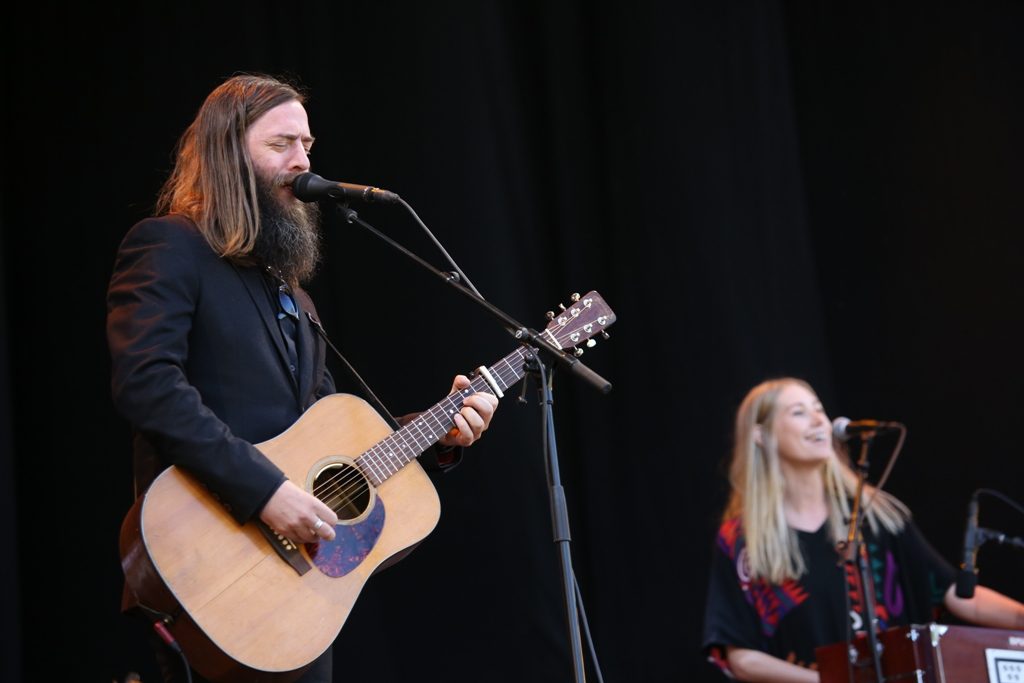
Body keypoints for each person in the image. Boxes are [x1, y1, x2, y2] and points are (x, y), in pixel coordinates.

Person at [106, 73, 499, 683]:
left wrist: (438, 430)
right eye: (282, 144)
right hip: (205, 567)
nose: (303, 163)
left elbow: (327, 443)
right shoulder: (169, 246)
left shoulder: (295, 299)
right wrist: (265, 491)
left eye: (308, 146)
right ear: (228, 153)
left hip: (289, 599)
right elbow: (147, 384)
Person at [702, 377, 1024, 682]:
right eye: (799, 412)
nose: (819, 421)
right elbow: (741, 657)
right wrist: (830, 679)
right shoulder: (743, 540)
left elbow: (954, 592)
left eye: (819, 410)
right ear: (761, 435)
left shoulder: (876, 515)